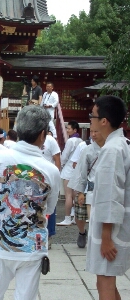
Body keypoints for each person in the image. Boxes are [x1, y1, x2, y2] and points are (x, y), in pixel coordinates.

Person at [0, 105, 60, 300]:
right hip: (32, 247)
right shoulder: (51, 171)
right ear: (43, 134)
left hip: (1, 244)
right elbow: (49, 209)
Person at [86, 95, 129, 300]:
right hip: (113, 225)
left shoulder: (112, 149)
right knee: (106, 280)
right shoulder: (120, 144)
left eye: (92, 115)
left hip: (110, 228)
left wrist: (106, 237)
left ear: (104, 121)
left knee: (104, 280)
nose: (90, 119)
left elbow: (110, 194)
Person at [68, 127, 105, 248]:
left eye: (96, 131)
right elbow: (81, 171)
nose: (93, 134)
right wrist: (79, 192)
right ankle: (82, 232)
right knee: (81, 216)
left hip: (106, 188)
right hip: (89, 188)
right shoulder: (87, 149)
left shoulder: (112, 149)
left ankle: (99, 242)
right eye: (92, 131)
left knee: (101, 220)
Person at [57, 120, 83, 226]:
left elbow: (64, 156)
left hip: (68, 169)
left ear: (74, 130)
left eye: (69, 128)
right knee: (75, 195)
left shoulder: (70, 141)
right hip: (77, 169)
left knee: (68, 195)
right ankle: (75, 217)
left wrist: (60, 165)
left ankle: (67, 218)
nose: (67, 130)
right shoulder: (81, 141)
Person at [41, 132, 61, 249]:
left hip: (48, 178)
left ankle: (49, 235)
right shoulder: (29, 137)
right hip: (33, 178)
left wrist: (56, 176)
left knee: (50, 208)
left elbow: (57, 159)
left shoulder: (50, 140)